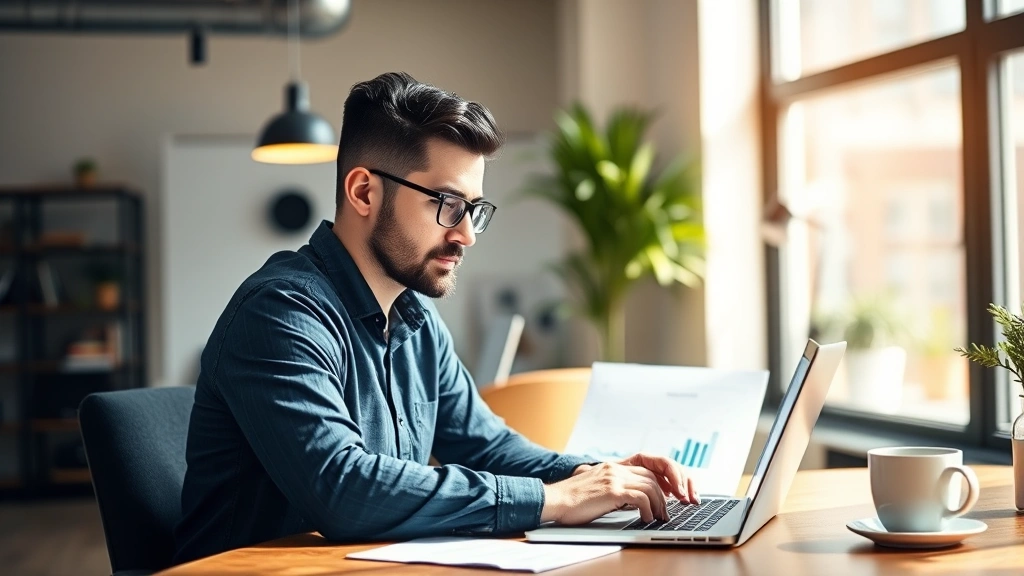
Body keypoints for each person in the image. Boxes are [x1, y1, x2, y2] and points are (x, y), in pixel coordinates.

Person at [172, 71, 699, 564]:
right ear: (364, 192)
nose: (466, 234)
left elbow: (487, 447)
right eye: (447, 203)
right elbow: (344, 489)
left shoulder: (416, 321)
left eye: (475, 209)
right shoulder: (281, 313)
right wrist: (550, 500)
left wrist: (597, 475)